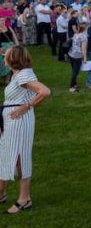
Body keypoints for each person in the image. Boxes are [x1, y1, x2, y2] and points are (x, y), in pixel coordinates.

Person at [0, 46, 51, 214]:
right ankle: (3, 193)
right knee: (8, 154)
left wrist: (26, 106)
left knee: (20, 158)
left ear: (12, 58)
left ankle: (24, 199)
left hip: (19, 121)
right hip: (11, 120)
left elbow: (44, 91)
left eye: (6, 54)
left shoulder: (23, 74)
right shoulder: (17, 73)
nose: (3, 56)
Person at [67, 23, 88, 93]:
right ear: (85, 29)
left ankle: (75, 84)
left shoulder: (76, 34)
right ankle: (72, 86)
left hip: (71, 54)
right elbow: (83, 48)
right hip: (78, 55)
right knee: (75, 72)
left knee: (73, 70)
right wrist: (85, 58)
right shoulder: (84, 36)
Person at [0, 18, 19, 86]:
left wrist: (17, 45)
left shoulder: (9, 28)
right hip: (2, 48)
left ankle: (8, 79)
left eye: (3, 20)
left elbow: (14, 37)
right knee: (3, 63)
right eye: (1, 20)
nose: (2, 22)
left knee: (11, 62)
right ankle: (3, 78)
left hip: (11, 47)